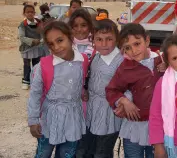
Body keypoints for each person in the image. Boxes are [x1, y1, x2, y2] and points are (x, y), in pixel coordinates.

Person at [27, 21, 88, 158]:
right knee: (44, 152)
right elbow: (35, 94)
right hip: (50, 119)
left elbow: (80, 81)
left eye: (60, 40)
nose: (57, 47)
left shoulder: (82, 60)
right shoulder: (44, 66)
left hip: (73, 117)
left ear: (70, 37)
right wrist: (33, 120)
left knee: (67, 153)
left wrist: (83, 91)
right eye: (51, 44)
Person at [105, 23, 165, 158]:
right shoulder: (125, 68)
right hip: (134, 127)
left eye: (137, 44)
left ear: (147, 40)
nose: (133, 50)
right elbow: (111, 90)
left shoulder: (162, 60)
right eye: (127, 48)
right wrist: (124, 101)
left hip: (158, 127)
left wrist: (169, 66)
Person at [76, 19, 123, 158]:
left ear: (116, 39)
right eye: (99, 39)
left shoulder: (121, 61)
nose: (104, 44)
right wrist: (85, 90)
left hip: (109, 113)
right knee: (86, 150)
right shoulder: (96, 57)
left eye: (109, 39)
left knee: (102, 153)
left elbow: (129, 86)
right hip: (92, 110)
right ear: (93, 41)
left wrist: (123, 103)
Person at [18, 4, 45, 90]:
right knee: (26, 65)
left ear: (34, 13)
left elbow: (43, 33)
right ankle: (26, 81)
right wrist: (32, 41)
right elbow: (21, 37)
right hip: (27, 48)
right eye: (27, 12)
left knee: (36, 65)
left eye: (31, 12)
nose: (30, 13)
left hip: (37, 48)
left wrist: (41, 40)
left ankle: (35, 81)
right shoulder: (22, 24)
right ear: (24, 13)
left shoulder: (39, 23)